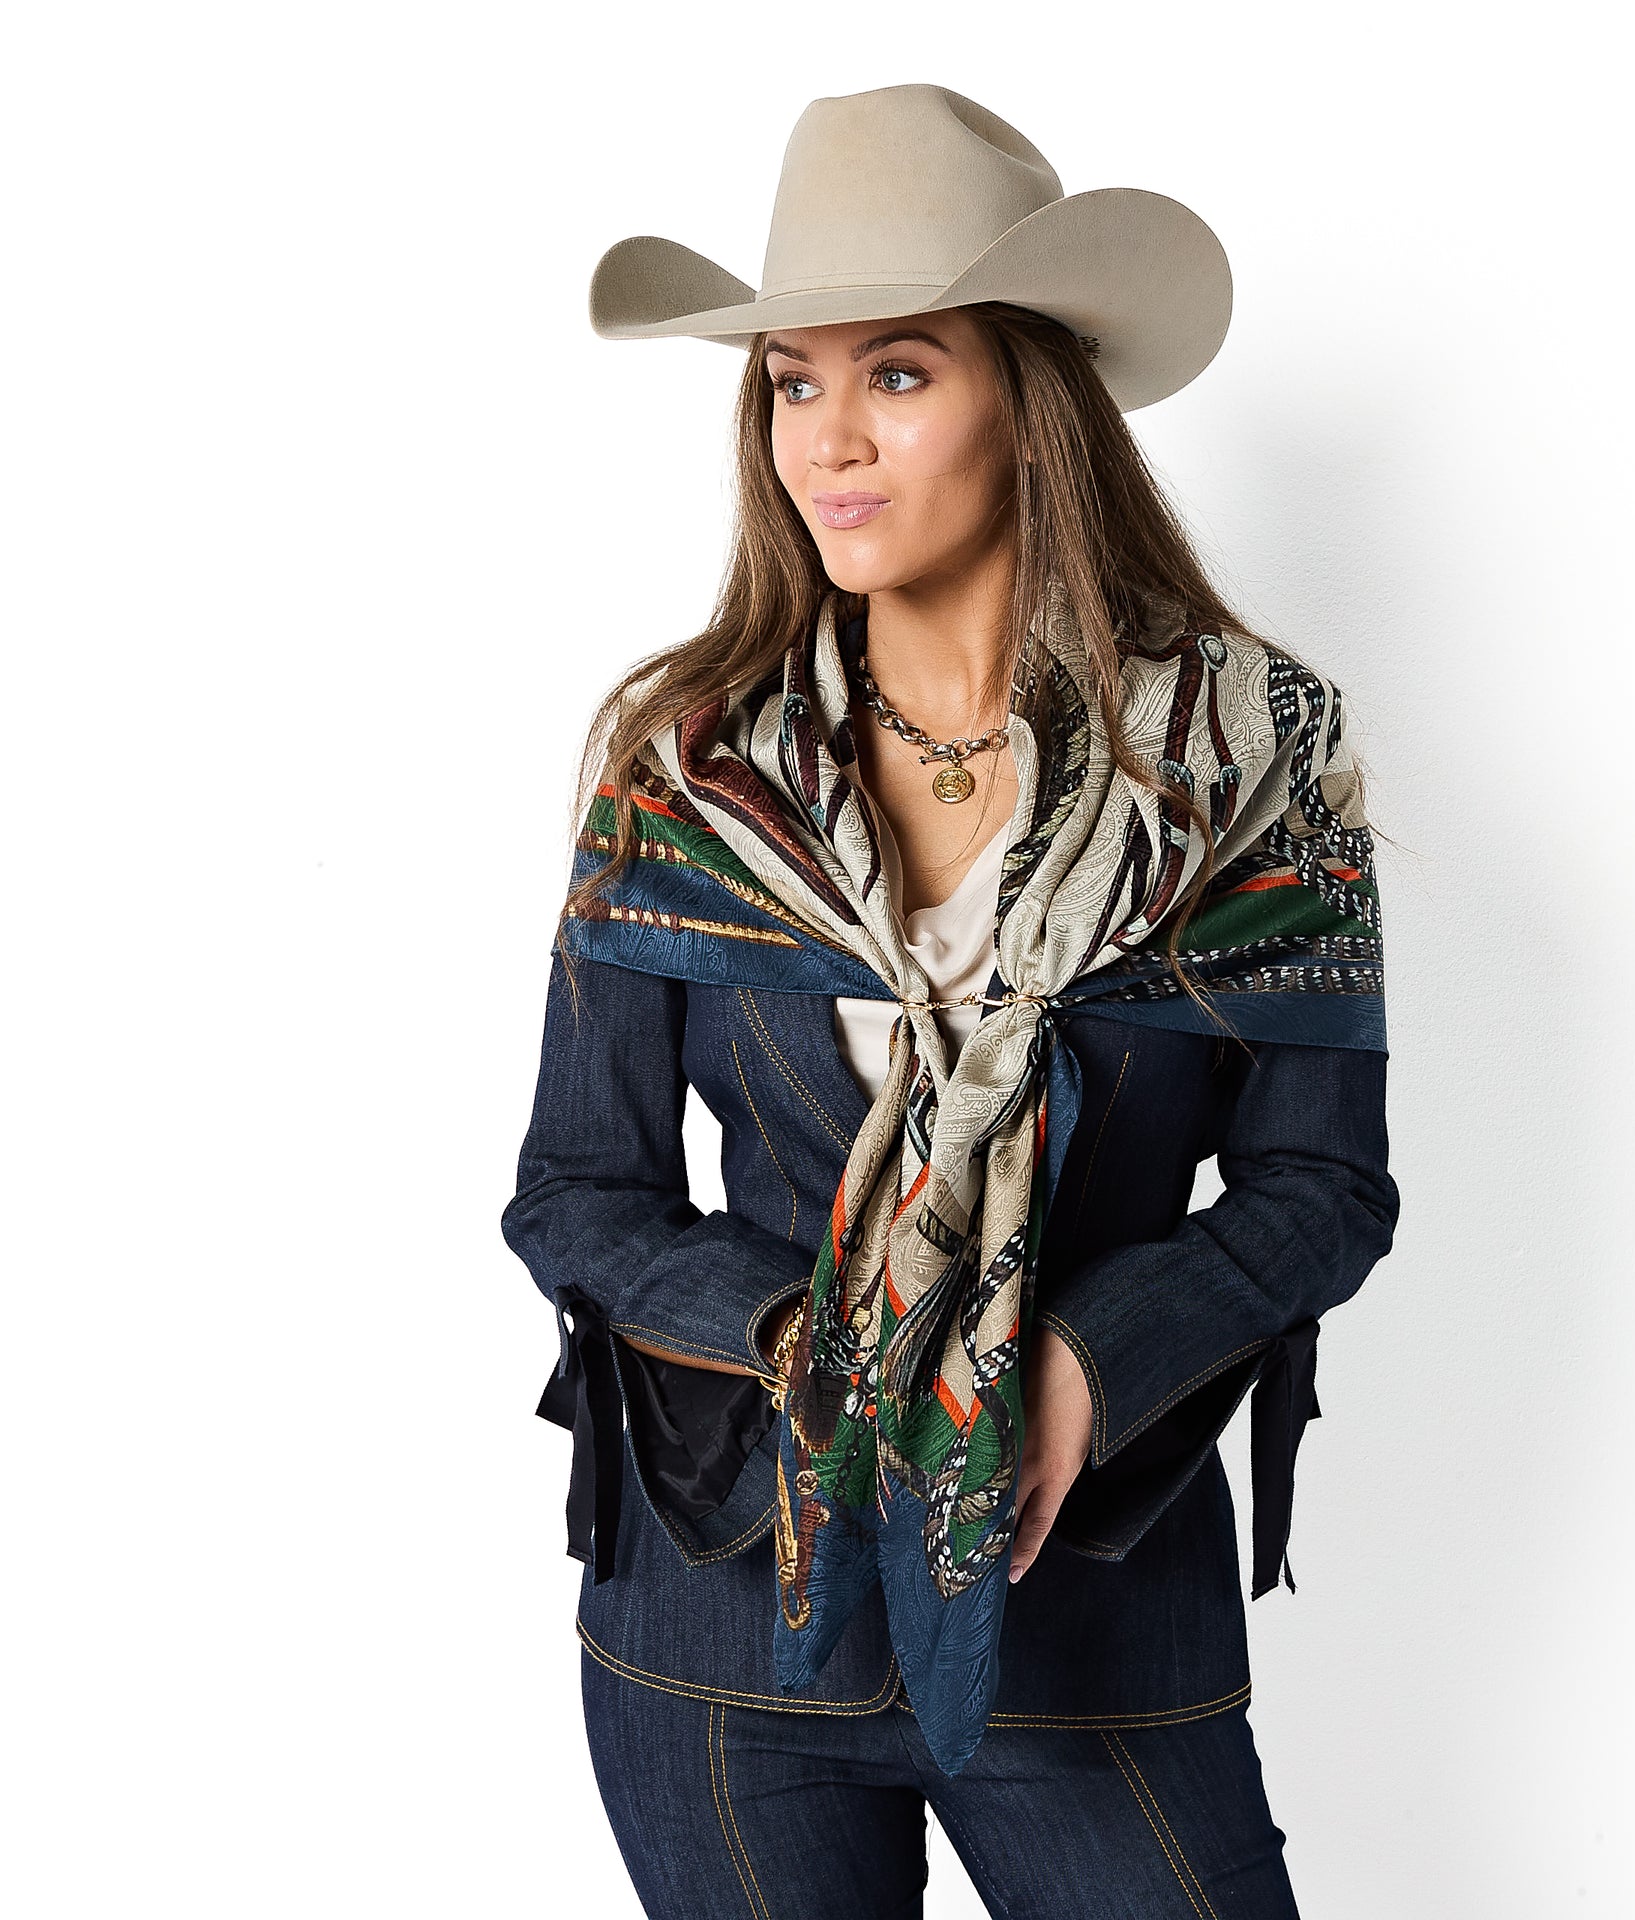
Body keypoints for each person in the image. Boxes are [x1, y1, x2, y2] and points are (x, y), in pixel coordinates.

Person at [502, 83, 1400, 1919]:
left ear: (1031, 398)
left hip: (1093, 1618)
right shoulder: (688, 774)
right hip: (724, 1629)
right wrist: (812, 1349)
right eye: (791, 383)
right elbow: (577, 1193)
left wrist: (1077, 1361)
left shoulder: (1249, 766)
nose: (827, 441)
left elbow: (1323, 1189)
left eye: (897, 374)